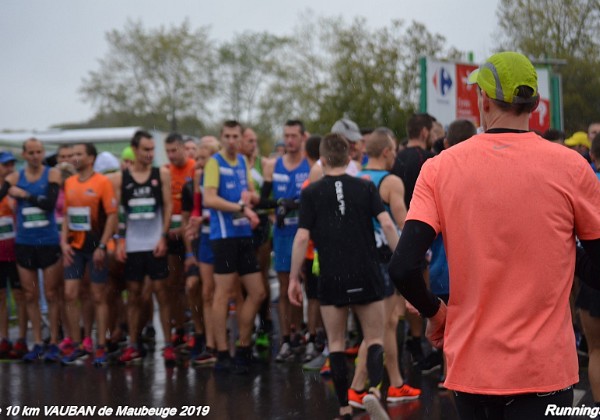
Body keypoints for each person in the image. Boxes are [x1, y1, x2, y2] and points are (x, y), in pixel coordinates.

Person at [389, 51, 600, 419]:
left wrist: (436, 313)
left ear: (483, 100)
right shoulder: (571, 166)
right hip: (545, 369)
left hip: (473, 367)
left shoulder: (439, 168)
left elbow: (404, 267)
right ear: (534, 104)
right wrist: (566, 255)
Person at [289, 132, 399, 420]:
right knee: (374, 338)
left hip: (332, 275)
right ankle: (374, 391)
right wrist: (403, 261)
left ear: (323, 160)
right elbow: (387, 225)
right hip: (366, 270)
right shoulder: (364, 187)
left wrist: (292, 279)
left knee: (336, 343)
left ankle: (344, 408)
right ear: (350, 157)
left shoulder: (311, 192)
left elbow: (301, 239)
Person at [349, 128, 421, 408]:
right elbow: (403, 220)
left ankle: (396, 384)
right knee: (377, 327)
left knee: (388, 323)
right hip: (384, 259)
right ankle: (356, 387)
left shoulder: (354, 179)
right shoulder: (391, 181)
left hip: (359, 259)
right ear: (387, 152)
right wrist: (414, 254)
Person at [203, 120, 266, 374]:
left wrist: (252, 200)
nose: (231, 140)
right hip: (224, 236)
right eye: (226, 136)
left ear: (240, 139)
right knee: (224, 293)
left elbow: (252, 194)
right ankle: (221, 352)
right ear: (221, 138)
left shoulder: (242, 162)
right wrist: (239, 208)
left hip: (243, 234)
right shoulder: (213, 163)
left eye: (235, 136)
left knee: (258, 292)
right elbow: (209, 198)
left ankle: (242, 346)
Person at [114, 130, 174, 365]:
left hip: (155, 243)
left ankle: (168, 344)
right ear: (135, 150)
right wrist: (120, 241)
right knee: (134, 296)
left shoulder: (162, 174)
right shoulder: (121, 178)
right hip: (133, 245)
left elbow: (168, 206)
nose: (150, 154)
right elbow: (120, 212)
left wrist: (163, 236)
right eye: (146, 149)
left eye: (152, 149)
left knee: (162, 294)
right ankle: (133, 344)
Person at [0, 138, 63, 362]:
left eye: (39, 152)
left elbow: (50, 204)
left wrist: (25, 195)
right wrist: (9, 187)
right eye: (31, 152)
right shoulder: (15, 177)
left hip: (47, 241)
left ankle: (54, 341)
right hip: (25, 243)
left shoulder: (52, 174)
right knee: (30, 295)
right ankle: (36, 341)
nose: (36, 156)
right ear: (24, 155)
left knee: (52, 293)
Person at [60, 143, 118, 366]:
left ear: (91, 158)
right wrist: (64, 242)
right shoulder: (70, 182)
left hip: (95, 247)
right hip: (75, 247)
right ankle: (78, 344)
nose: (74, 157)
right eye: (72, 154)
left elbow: (112, 216)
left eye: (79, 154)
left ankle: (100, 345)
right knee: (70, 294)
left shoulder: (102, 182)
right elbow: (66, 215)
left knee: (97, 296)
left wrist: (102, 246)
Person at [261, 120, 310, 362]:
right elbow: (262, 201)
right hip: (282, 235)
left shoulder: (310, 165)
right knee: (283, 288)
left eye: (294, 136)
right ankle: (286, 339)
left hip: (305, 235)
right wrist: (275, 210)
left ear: (303, 137)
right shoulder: (272, 165)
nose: (289, 140)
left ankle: (303, 333)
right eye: (286, 135)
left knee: (305, 287)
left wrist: (295, 205)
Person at [390, 112, 436, 365]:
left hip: (398, 230)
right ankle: (420, 342)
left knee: (403, 291)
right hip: (423, 228)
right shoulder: (429, 160)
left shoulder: (396, 158)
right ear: (425, 133)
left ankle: (412, 341)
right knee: (421, 288)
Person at [164, 132, 197, 347]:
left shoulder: (194, 168)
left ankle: (195, 326)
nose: (171, 155)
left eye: (174, 150)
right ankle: (179, 327)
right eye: (167, 151)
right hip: (171, 234)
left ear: (184, 149)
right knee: (172, 284)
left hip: (190, 231)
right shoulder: (165, 172)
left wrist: (185, 226)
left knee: (192, 284)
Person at [0, 151, 27, 359]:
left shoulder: (16, 190)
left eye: (12, 165)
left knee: (20, 296)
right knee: (1, 297)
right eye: (5, 165)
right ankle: (4, 338)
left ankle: (22, 339)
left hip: (16, 251)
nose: (10, 169)